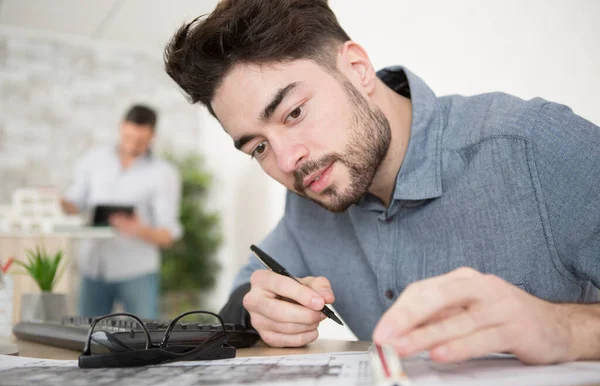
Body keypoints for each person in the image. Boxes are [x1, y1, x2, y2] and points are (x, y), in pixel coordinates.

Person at [163, 0, 600, 364]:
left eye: (294, 113)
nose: (287, 160)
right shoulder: (312, 195)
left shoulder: (535, 144)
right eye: (258, 147)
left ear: (357, 68)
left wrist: (562, 328)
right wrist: (257, 308)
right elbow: (249, 285)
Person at [62, 104, 183, 319]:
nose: (132, 145)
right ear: (121, 128)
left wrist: (138, 229)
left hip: (136, 272)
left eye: (140, 140)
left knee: (144, 341)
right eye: (128, 137)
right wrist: (54, 201)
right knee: (84, 338)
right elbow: (74, 202)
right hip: (93, 268)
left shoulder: (164, 174)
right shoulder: (93, 161)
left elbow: (168, 235)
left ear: (152, 136)